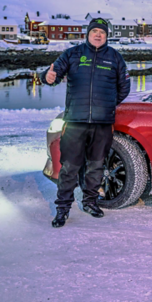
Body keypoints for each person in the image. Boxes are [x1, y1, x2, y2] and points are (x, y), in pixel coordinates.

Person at [42, 18, 130, 228]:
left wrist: (107, 105)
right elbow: (53, 73)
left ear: (107, 35)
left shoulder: (115, 58)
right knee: (69, 167)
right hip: (75, 122)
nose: (98, 35)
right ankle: (63, 208)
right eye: (94, 31)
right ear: (88, 34)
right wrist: (47, 76)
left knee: (96, 166)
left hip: (102, 124)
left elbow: (124, 86)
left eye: (102, 32)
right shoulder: (73, 54)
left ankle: (90, 202)